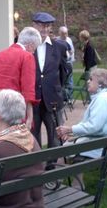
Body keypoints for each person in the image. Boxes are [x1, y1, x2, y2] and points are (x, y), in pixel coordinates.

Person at [56, 68, 107, 161]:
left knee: (64, 149)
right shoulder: (106, 96)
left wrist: (70, 129)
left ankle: (60, 173)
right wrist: (73, 133)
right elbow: (93, 125)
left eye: (91, 79)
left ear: (101, 84)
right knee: (68, 145)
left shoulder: (103, 99)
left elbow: (93, 127)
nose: (88, 81)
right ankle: (67, 172)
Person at [0, 27, 41, 136]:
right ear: (31, 45)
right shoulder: (27, 56)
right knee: (14, 147)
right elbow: (28, 90)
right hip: (13, 113)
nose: (34, 52)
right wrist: (30, 118)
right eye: (35, 49)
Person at [31, 12, 68, 159]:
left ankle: (52, 168)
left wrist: (56, 88)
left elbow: (65, 72)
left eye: (47, 26)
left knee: (54, 135)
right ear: (34, 25)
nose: (44, 29)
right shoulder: (27, 46)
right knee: (34, 136)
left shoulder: (59, 47)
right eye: (41, 25)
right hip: (33, 99)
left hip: (52, 99)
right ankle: (37, 166)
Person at [57, 26, 75, 102]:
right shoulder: (57, 41)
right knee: (61, 81)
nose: (65, 35)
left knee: (69, 81)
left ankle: (70, 98)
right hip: (60, 64)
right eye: (63, 33)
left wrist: (68, 56)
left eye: (66, 33)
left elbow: (71, 51)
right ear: (59, 33)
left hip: (68, 63)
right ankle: (63, 98)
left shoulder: (68, 40)